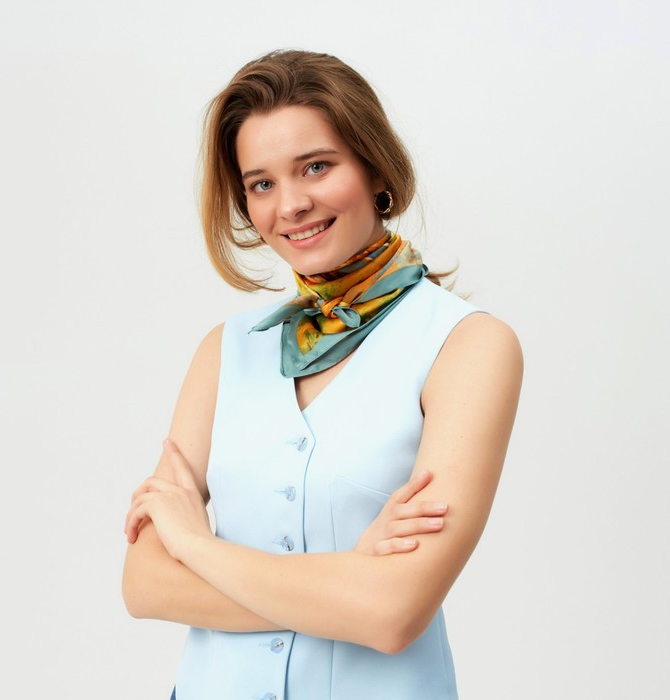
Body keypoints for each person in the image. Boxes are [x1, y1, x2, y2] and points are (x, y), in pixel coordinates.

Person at [122, 49, 523, 700]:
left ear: (374, 165)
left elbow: (391, 614)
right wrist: (348, 582)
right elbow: (143, 586)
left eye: (316, 166)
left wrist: (195, 546)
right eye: (261, 184)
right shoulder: (225, 352)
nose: (291, 204)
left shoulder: (467, 346)